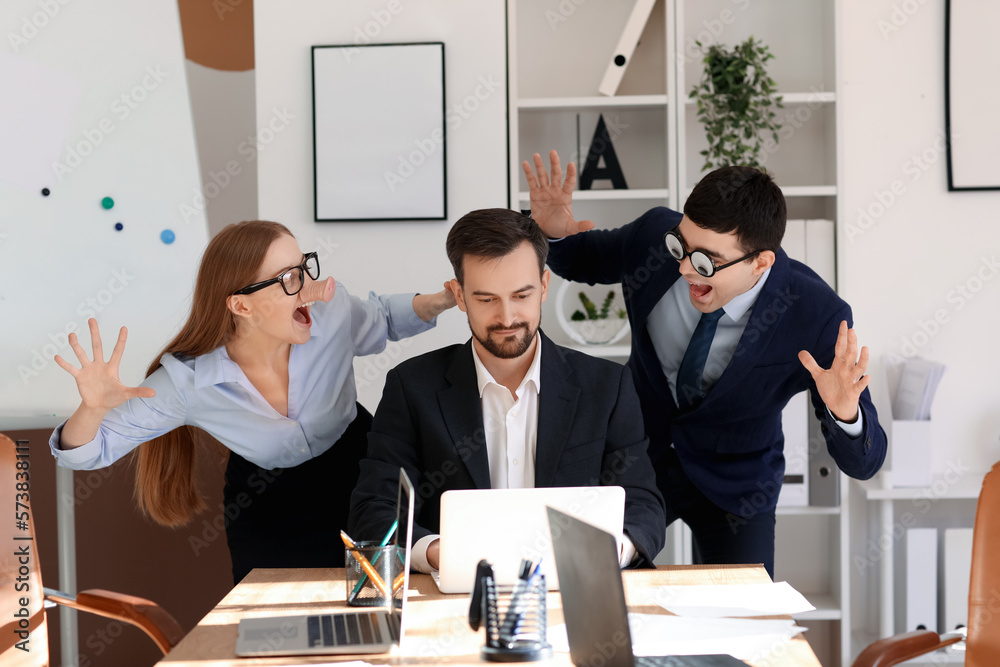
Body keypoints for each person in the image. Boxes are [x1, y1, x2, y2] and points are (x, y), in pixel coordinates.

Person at [522, 151, 887, 578]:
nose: (682, 268)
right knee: (594, 585)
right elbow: (584, 258)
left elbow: (866, 462)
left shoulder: (816, 314)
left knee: (742, 619)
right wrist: (551, 230)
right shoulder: (656, 236)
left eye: (704, 262)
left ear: (760, 262)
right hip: (637, 459)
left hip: (737, 486)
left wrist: (845, 412)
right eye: (682, 246)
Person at [49, 220, 455, 583]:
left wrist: (445, 299)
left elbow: (382, 318)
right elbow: (85, 452)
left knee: (383, 607)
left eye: (304, 268)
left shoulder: (332, 315)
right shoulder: (187, 382)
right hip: (269, 504)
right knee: (279, 628)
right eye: (288, 279)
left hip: (363, 479)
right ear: (241, 305)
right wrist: (93, 407)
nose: (312, 289)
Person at [348, 208, 666, 571]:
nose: (507, 317)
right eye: (487, 299)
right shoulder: (411, 387)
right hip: (454, 592)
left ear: (544, 286)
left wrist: (610, 552)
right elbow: (374, 508)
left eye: (521, 295)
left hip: (576, 586)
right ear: (460, 295)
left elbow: (643, 505)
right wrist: (442, 553)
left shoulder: (607, 386)